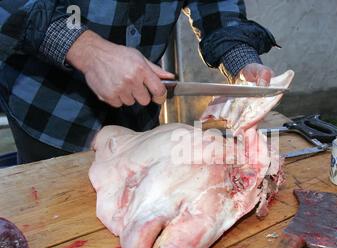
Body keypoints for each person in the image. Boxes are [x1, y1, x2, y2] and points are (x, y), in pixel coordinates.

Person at [0, 0, 278, 164]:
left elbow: (213, 4)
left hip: (139, 105)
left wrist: (240, 59)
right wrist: (87, 50)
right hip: (50, 109)